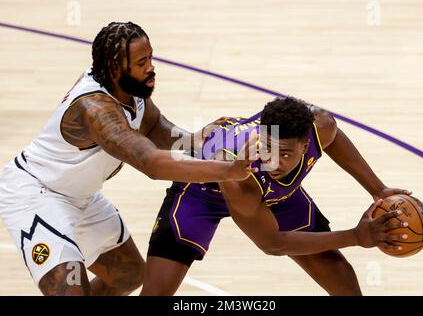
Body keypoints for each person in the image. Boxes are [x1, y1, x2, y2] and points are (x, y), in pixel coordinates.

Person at [0, 21, 256, 296]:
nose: (151, 67)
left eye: (151, 57)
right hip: (38, 195)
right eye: (142, 61)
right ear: (115, 66)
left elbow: (155, 125)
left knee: (129, 275)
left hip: (81, 197)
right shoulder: (95, 109)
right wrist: (227, 170)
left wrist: (192, 140)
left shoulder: (125, 86)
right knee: (71, 290)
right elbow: (151, 163)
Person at [141, 96, 410, 296]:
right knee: (156, 292)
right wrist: (355, 236)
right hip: (204, 190)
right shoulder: (240, 173)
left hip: (273, 192)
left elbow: (335, 138)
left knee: (339, 275)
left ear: (306, 145)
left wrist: (377, 189)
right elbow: (272, 243)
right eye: (269, 148)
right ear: (260, 136)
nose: (275, 162)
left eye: (285, 154)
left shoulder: (321, 126)